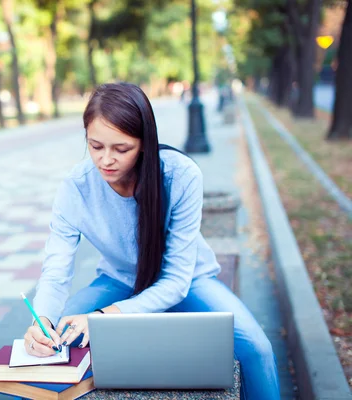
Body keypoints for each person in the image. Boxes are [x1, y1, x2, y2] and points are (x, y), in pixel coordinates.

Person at [22, 82, 280, 399]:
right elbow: (56, 270)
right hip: (119, 281)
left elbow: (175, 281)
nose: (106, 160)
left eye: (121, 149)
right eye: (95, 146)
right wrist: (42, 320)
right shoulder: (75, 187)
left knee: (257, 348)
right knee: (55, 339)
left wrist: (105, 317)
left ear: (144, 142)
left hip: (188, 281)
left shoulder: (180, 175)